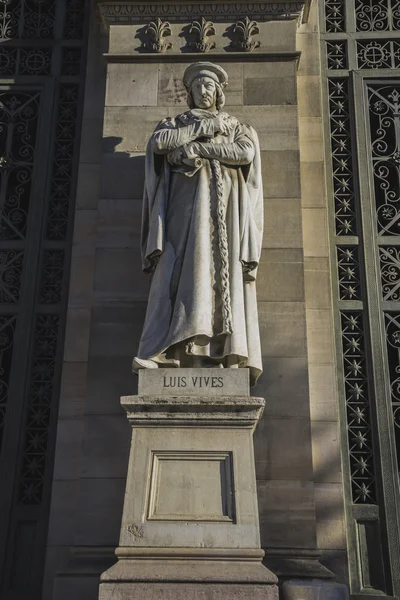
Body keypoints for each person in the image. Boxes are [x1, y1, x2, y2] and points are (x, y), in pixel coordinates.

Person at [132, 62, 264, 386]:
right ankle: (166, 352)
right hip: (181, 215)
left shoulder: (233, 124)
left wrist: (201, 148)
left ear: (218, 93)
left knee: (219, 280)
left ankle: (218, 354)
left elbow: (244, 152)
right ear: (189, 93)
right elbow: (160, 143)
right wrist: (195, 132)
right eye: (198, 88)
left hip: (224, 218)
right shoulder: (176, 123)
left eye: (209, 87)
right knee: (176, 276)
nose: (204, 92)